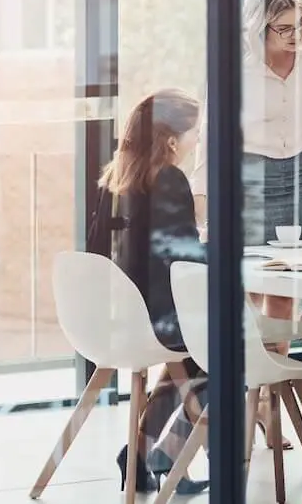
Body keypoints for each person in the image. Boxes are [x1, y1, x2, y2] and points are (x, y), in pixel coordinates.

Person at [193, 0, 302, 446]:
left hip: (296, 171)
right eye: (282, 28)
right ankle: (254, 396)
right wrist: (205, 209)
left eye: (299, 24)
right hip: (247, 175)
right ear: (258, 26)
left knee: (285, 287)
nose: (294, 35)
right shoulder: (233, 61)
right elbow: (208, 131)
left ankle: (265, 404)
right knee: (252, 287)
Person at [98, 89, 209, 496]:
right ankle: (164, 455)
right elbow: (184, 260)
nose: (198, 141)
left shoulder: (122, 176)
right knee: (229, 354)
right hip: (160, 316)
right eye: (195, 133)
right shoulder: (170, 178)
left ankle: (142, 454)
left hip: (128, 314)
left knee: (197, 358)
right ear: (172, 140)